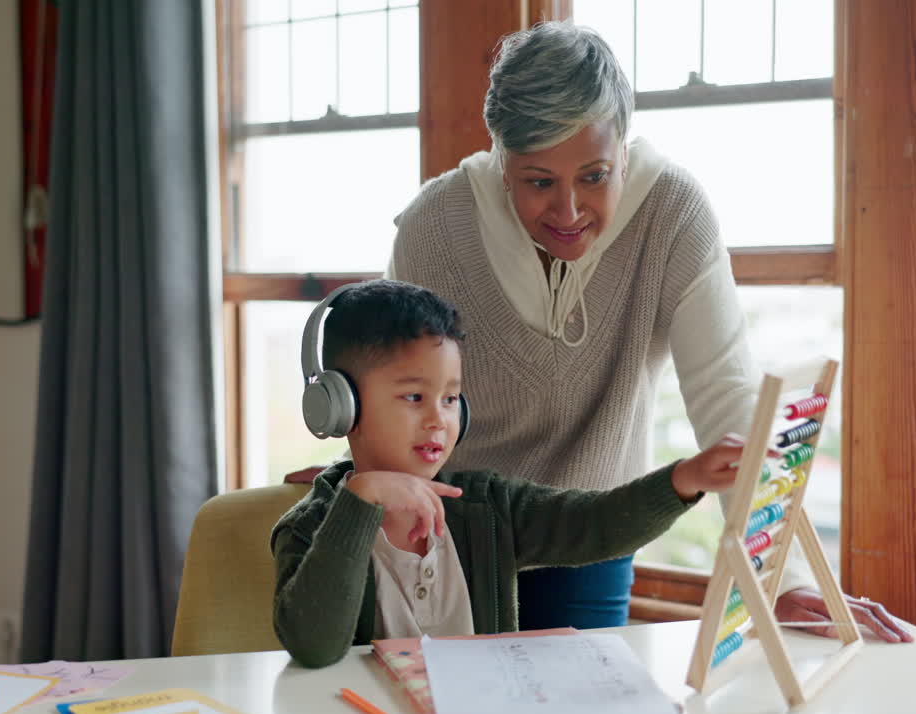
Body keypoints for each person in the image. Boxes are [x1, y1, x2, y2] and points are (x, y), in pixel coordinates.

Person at [290, 21, 911, 643]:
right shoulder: (434, 224)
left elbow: (730, 401)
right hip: (455, 523)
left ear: (625, 147)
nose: (568, 212)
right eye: (538, 181)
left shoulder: (673, 213)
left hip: (594, 530)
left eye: (594, 176)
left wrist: (783, 576)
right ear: (501, 160)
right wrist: (355, 471)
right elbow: (389, 379)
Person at [272, 279, 753, 668]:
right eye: (414, 397)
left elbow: (594, 523)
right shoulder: (307, 528)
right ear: (340, 407)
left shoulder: (486, 506)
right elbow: (315, 646)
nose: (440, 419)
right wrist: (360, 500)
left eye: (451, 397)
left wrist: (683, 479)